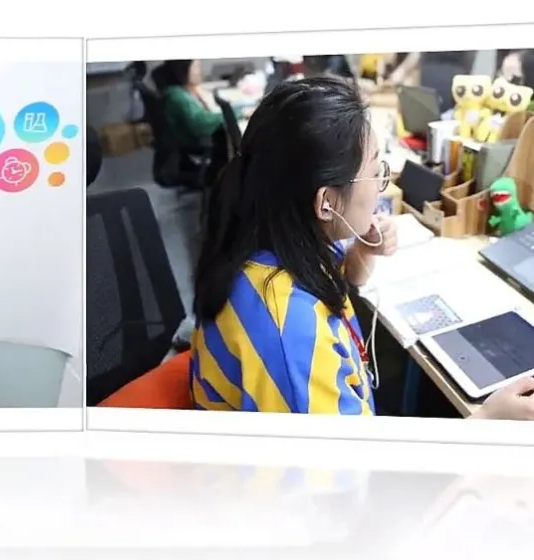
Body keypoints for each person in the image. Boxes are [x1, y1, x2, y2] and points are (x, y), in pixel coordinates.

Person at [190, 76, 534, 420]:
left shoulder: (271, 234)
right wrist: (487, 420)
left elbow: (337, 280)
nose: (381, 185)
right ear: (326, 203)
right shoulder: (294, 336)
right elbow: (350, 456)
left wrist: (361, 252)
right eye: (375, 171)